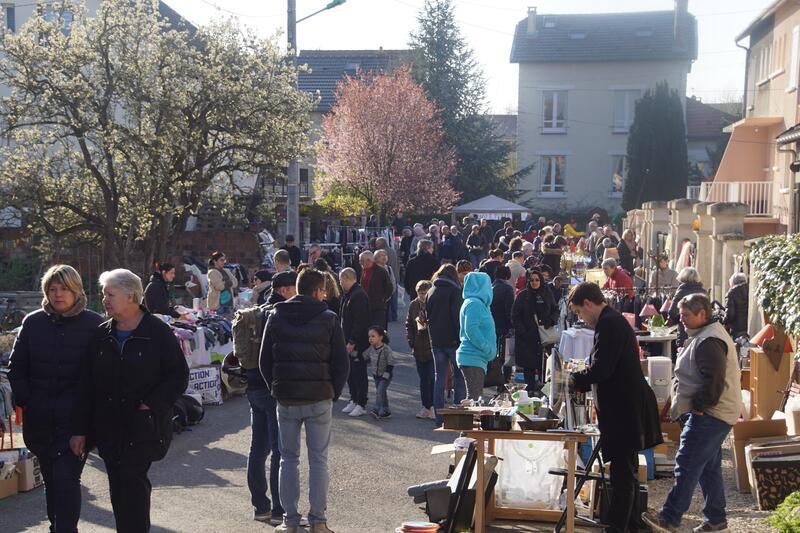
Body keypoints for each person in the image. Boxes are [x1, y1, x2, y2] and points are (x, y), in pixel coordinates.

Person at [78, 269, 189, 533]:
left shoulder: (158, 332)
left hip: (142, 428)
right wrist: (83, 428)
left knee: (133, 487)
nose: (104, 299)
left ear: (131, 296)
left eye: (110, 294)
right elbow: (88, 384)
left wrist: (149, 405)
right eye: (104, 293)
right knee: (118, 488)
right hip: (108, 428)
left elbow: (178, 376)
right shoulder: (101, 335)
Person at [8, 265, 103, 533]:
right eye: (53, 288)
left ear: (76, 291)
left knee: (67, 479)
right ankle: (56, 527)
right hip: (40, 419)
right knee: (52, 480)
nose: (58, 294)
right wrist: (27, 400)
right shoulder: (33, 322)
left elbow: (100, 378)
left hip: (76, 424)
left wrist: (86, 423)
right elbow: (17, 368)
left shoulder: (94, 325)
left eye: (64, 289)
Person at [642, 294, 742, 533]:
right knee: (708, 467)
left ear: (702, 314)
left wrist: (699, 406)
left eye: (687, 315)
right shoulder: (706, 336)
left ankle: (669, 518)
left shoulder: (709, 340)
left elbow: (714, 380)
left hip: (710, 414)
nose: (682, 319)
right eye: (682, 314)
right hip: (714, 412)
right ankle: (716, 520)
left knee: (686, 463)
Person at [567, 282, 662, 533]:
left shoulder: (608, 322)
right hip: (625, 404)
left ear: (588, 303)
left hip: (624, 408)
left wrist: (576, 378)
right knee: (625, 469)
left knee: (622, 472)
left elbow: (602, 367)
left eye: (579, 311)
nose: (581, 318)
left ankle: (619, 526)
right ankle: (630, 523)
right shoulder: (612, 320)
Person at [259, 269, 349, 533]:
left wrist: (275, 388)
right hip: (319, 396)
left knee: (288, 459)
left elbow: (265, 361)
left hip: (286, 398)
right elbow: (341, 363)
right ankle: (318, 521)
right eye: (323, 290)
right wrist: (333, 392)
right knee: (318, 459)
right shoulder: (329, 318)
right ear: (317, 291)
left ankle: (289, 520)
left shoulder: (275, 315)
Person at [245, 271, 296, 526]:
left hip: (252, 384)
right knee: (279, 450)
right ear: (285, 290)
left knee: (257, 448)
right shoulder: (279, 312)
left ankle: (260, 506)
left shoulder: (258, 309)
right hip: (271, 386)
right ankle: (278, 509)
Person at [426, 264, 466, 426]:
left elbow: (427, 316)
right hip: (453, 341)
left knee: (439, 379)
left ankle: (439, 417)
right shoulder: (455, 292)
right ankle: (457, 416)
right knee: (459, 377)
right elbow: (457, 318)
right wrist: (460, 338)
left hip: (436, 341)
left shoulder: (431, 291)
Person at [512, 269, 559, 391]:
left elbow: (555, 310)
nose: (534, 282)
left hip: (544, 336)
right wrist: (522, 330)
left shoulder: (547, 294)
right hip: (528, 337)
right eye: (532, 280)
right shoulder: (523, 295)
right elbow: (515, 315)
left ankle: (544, 390)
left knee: (544, 365)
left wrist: (550, 321)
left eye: (537, 280)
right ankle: (530, 391)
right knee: (529, 367)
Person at [456, 272, 496, 401]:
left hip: (476, 357)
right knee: (474, 399)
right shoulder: (474, 304)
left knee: (474, 398)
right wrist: (486, 347)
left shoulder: (476, 303)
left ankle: (468, 421)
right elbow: (471, 329)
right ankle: (466, 422)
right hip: (473, 356)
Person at [339, 268, 371, 418]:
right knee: (350, 372)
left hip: (358, 343)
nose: (340, 283)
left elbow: (360, 322)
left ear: (347, 278)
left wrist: (352, 341)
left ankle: (361, 403)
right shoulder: (350, 294)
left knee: (359, 372)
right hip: (348, 340)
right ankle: (353, 398)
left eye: (341, 280)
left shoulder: (358, 296)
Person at [406, 280, 436, 420]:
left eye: (425, 293)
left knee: (432, 378)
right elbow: (409, 324)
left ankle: (434, 406)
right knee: (423, 379)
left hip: (432, 348)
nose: (423, 296)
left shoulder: (434, 304)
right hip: (418, 347)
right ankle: (425, 406)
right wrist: (411, 342)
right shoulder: (413, 305)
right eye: (420, 293)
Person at [669, 267, 706, 351]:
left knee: (683, 355)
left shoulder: (681, 291)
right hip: (702, 331)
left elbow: (672, 312)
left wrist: (679, 320)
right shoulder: (703, 291)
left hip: (684, 331)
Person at [364, 326, 395, 419]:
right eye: (369, 336)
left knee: (379, 392)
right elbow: (364, 356)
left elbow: (391, 363)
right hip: (376, 375)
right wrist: (354, 355)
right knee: (382, 392)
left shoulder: (386, 349)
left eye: (373, 336)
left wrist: (386, 374)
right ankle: (386, 411)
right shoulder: (371, 348)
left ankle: (376, 410)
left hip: (385, 376)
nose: (370, 338)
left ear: (381, 337)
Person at [491, 266, 515, 385]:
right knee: (506, 356)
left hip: (491, 325)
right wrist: (512, 325)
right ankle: (505, 381)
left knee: (494, 353)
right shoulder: (507, 289)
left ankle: (492, 376)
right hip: (504, 326)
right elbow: (509, 310)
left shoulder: (490, 288)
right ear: (507, 276)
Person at [359, 250, 393, 329]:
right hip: (366, 306)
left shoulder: (381, 271)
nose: (360, 263)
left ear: (368, 260)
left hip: (378, 307)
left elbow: (389, 287)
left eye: (361, 261)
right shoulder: (363, 270)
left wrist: (383, 299)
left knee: (378, 330)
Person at [375, 237, 401, 321]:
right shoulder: (391, 250)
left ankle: (391, 316)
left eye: (377, 243)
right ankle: (394, 315)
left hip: (390, 275)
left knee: (391, 297)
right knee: (393, 298)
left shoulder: (385, 252)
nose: (376, 245)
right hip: (394, 275)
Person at [207, 251, 238, 316]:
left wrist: (225, 283)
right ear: (215, 261)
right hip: (218, 305)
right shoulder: (212, 272)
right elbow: (220, 287)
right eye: (221, 260)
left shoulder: (227, 271)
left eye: (224, 260)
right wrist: (229, 282)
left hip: (229, 304)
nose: (223, 262)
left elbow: (235, 283)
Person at [373, 249, 397, 324]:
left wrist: (388, 295)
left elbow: (393, 282)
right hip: (376, 299)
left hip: (387, 297)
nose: (384, 257)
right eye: (381, 255)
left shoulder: (389, 268)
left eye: (385, 255)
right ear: (376, 258)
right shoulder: (373, 269)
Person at [723, 273, 749, 340]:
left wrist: (725, 322)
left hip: (737, 328)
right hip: (748, 326)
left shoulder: (731, 293)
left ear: (733, 283)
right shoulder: (750, 290)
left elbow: (730, 313)